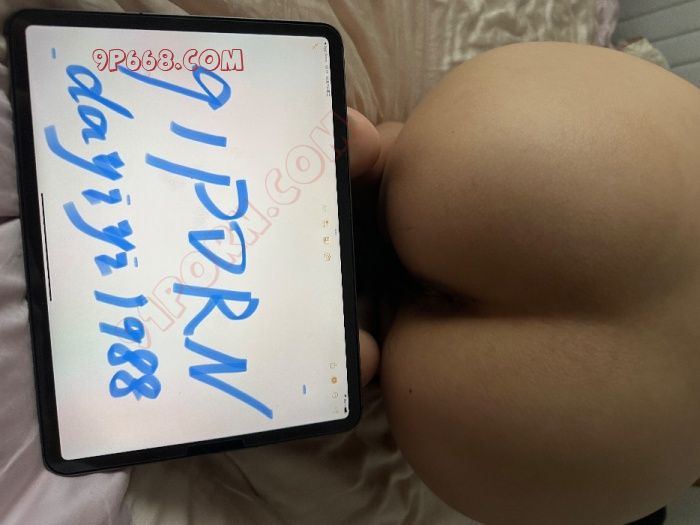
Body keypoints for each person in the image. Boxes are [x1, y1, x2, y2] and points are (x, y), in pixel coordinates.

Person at [349, 41, 700, 524]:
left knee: (397, 170)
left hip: (560, 158)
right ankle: (364, 343)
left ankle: (377, 163)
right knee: (368, 350)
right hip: (616, 434)